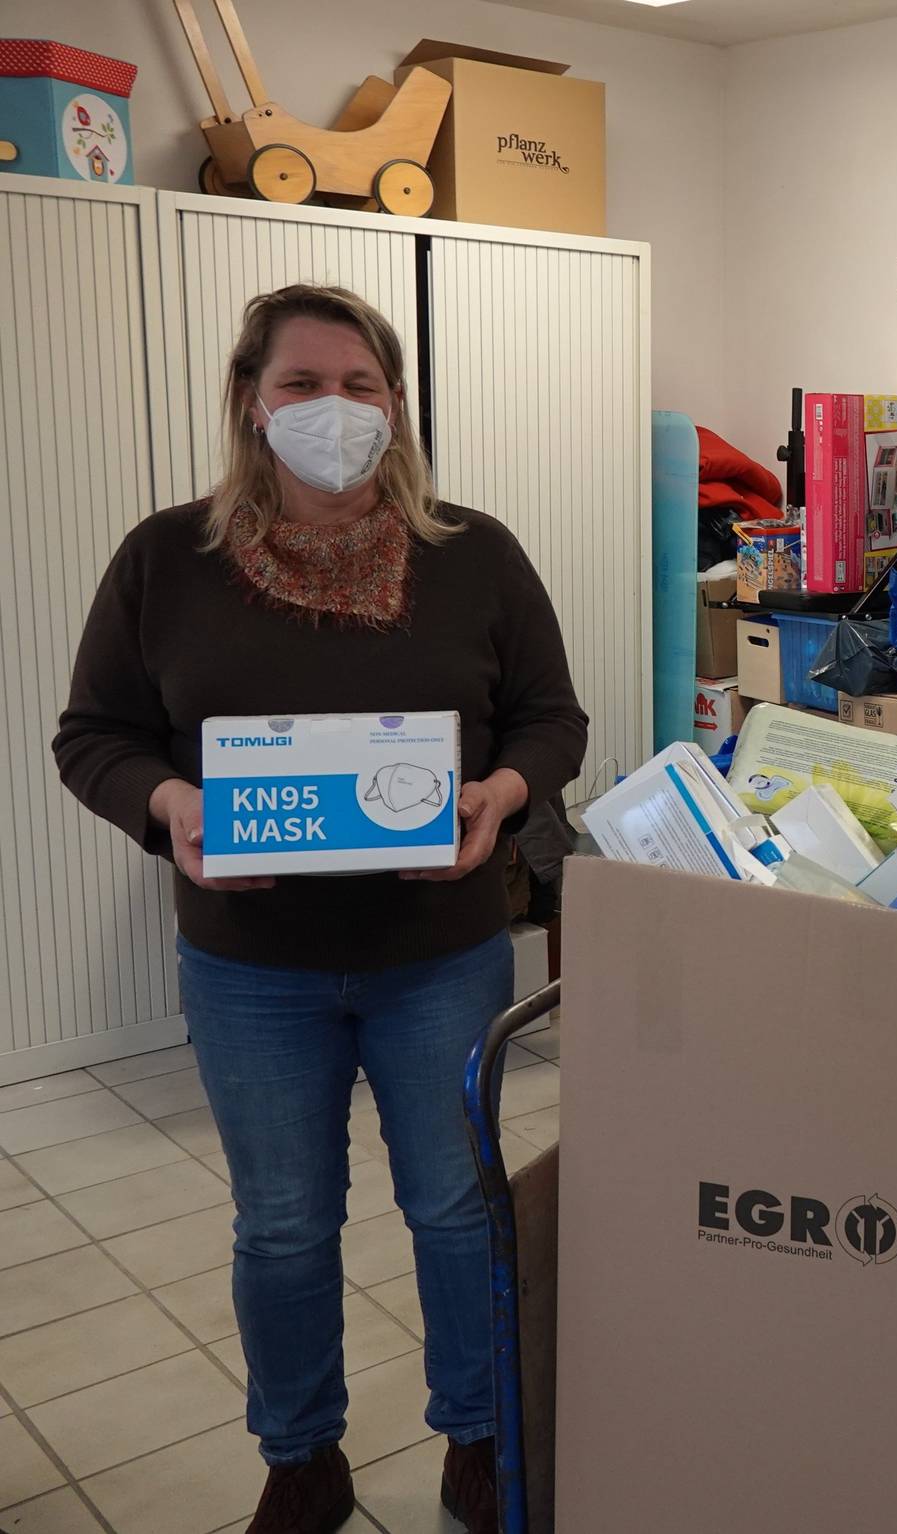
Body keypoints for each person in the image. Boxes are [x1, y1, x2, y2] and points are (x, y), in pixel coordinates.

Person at [53, 284, 588, 1534]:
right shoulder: (163, 561)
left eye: (360, 385)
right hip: (252, 969)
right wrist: (173, 807)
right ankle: (302, 1456)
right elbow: (93, 737)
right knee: (285, 1223)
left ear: (395, 406)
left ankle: (475, 1431)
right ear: (251, 401)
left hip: (436, 956)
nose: (332, 409)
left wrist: (502, 792)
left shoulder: (477, 555)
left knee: (456, 1205)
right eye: (301, 384)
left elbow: (550, 719)